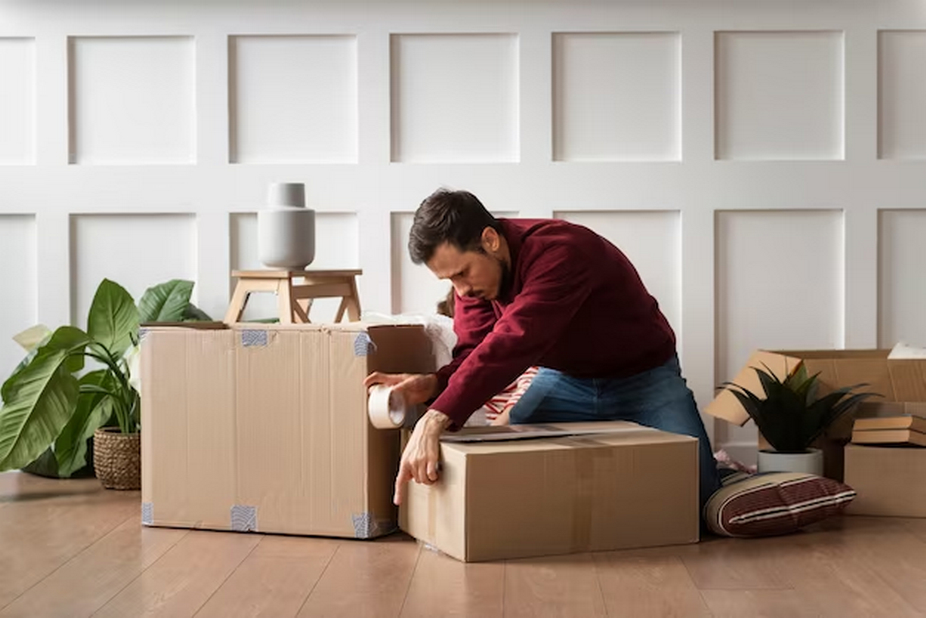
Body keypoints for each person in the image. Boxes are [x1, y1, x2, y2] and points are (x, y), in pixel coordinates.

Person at [364, 188, 721, 514]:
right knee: (507, 475)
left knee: (701, 499)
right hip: (567, 381)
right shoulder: (476, 286)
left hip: (644, 378)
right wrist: (431, 384)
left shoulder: (563, 252)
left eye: (463, 273)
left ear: (489, 240)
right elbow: (473, 351)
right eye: (450, 281)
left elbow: (515, 340)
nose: (461, 290)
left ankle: (728, 474)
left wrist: (435, 418)